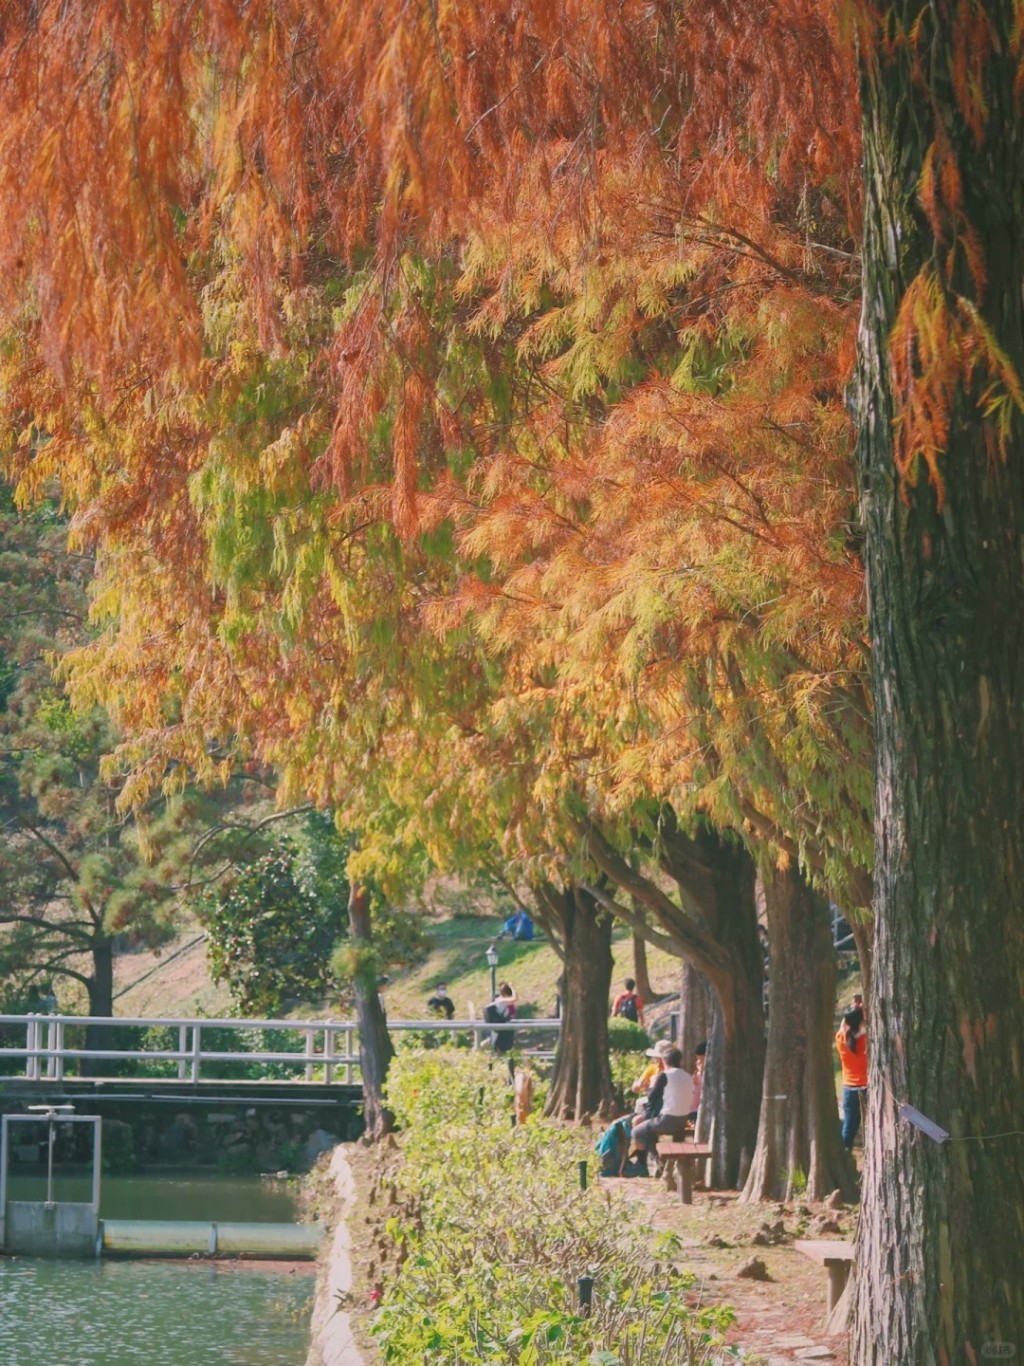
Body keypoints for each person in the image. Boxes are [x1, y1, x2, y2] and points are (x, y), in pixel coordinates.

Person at [630, 1045, 694, 1173]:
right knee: (650, 1129)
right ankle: (663, 1164)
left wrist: (648, 1088)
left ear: (664, 1061)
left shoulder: (665, 1075)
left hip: (667, 1119)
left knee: (638, 1131)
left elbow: (652, 1097)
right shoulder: (687, 1076)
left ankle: (657, 1161)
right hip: (683, 1119)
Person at [835, 1006, 868, 1149]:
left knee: (848, 1129)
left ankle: (844, 1152)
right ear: (861, 1023)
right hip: (866, 1088)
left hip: (848, 1089)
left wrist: (855, 1011)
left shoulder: (840, 1039)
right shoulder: (866, 1041)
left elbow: (845, 1024)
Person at [595, 1111, 635, 1177]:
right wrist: (621, 1170)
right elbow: (625, 1147)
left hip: (601, 1161)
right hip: (610, 1162)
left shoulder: (613, 1126)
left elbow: (597, 1146)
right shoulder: (624, 1125)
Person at [485, 981, 517, 1053]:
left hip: (498, 1029)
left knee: (496, 1048)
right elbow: (515, 998)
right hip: (500, 1030)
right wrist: (512, 987)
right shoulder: (502, 1000)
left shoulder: (497, 1000)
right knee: (498, 1050)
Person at [687, 1040, 706, 1126]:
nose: (697, 1063)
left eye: (701, 1060)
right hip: (693, 1112)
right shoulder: (697, 1077)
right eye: (697, 1059)